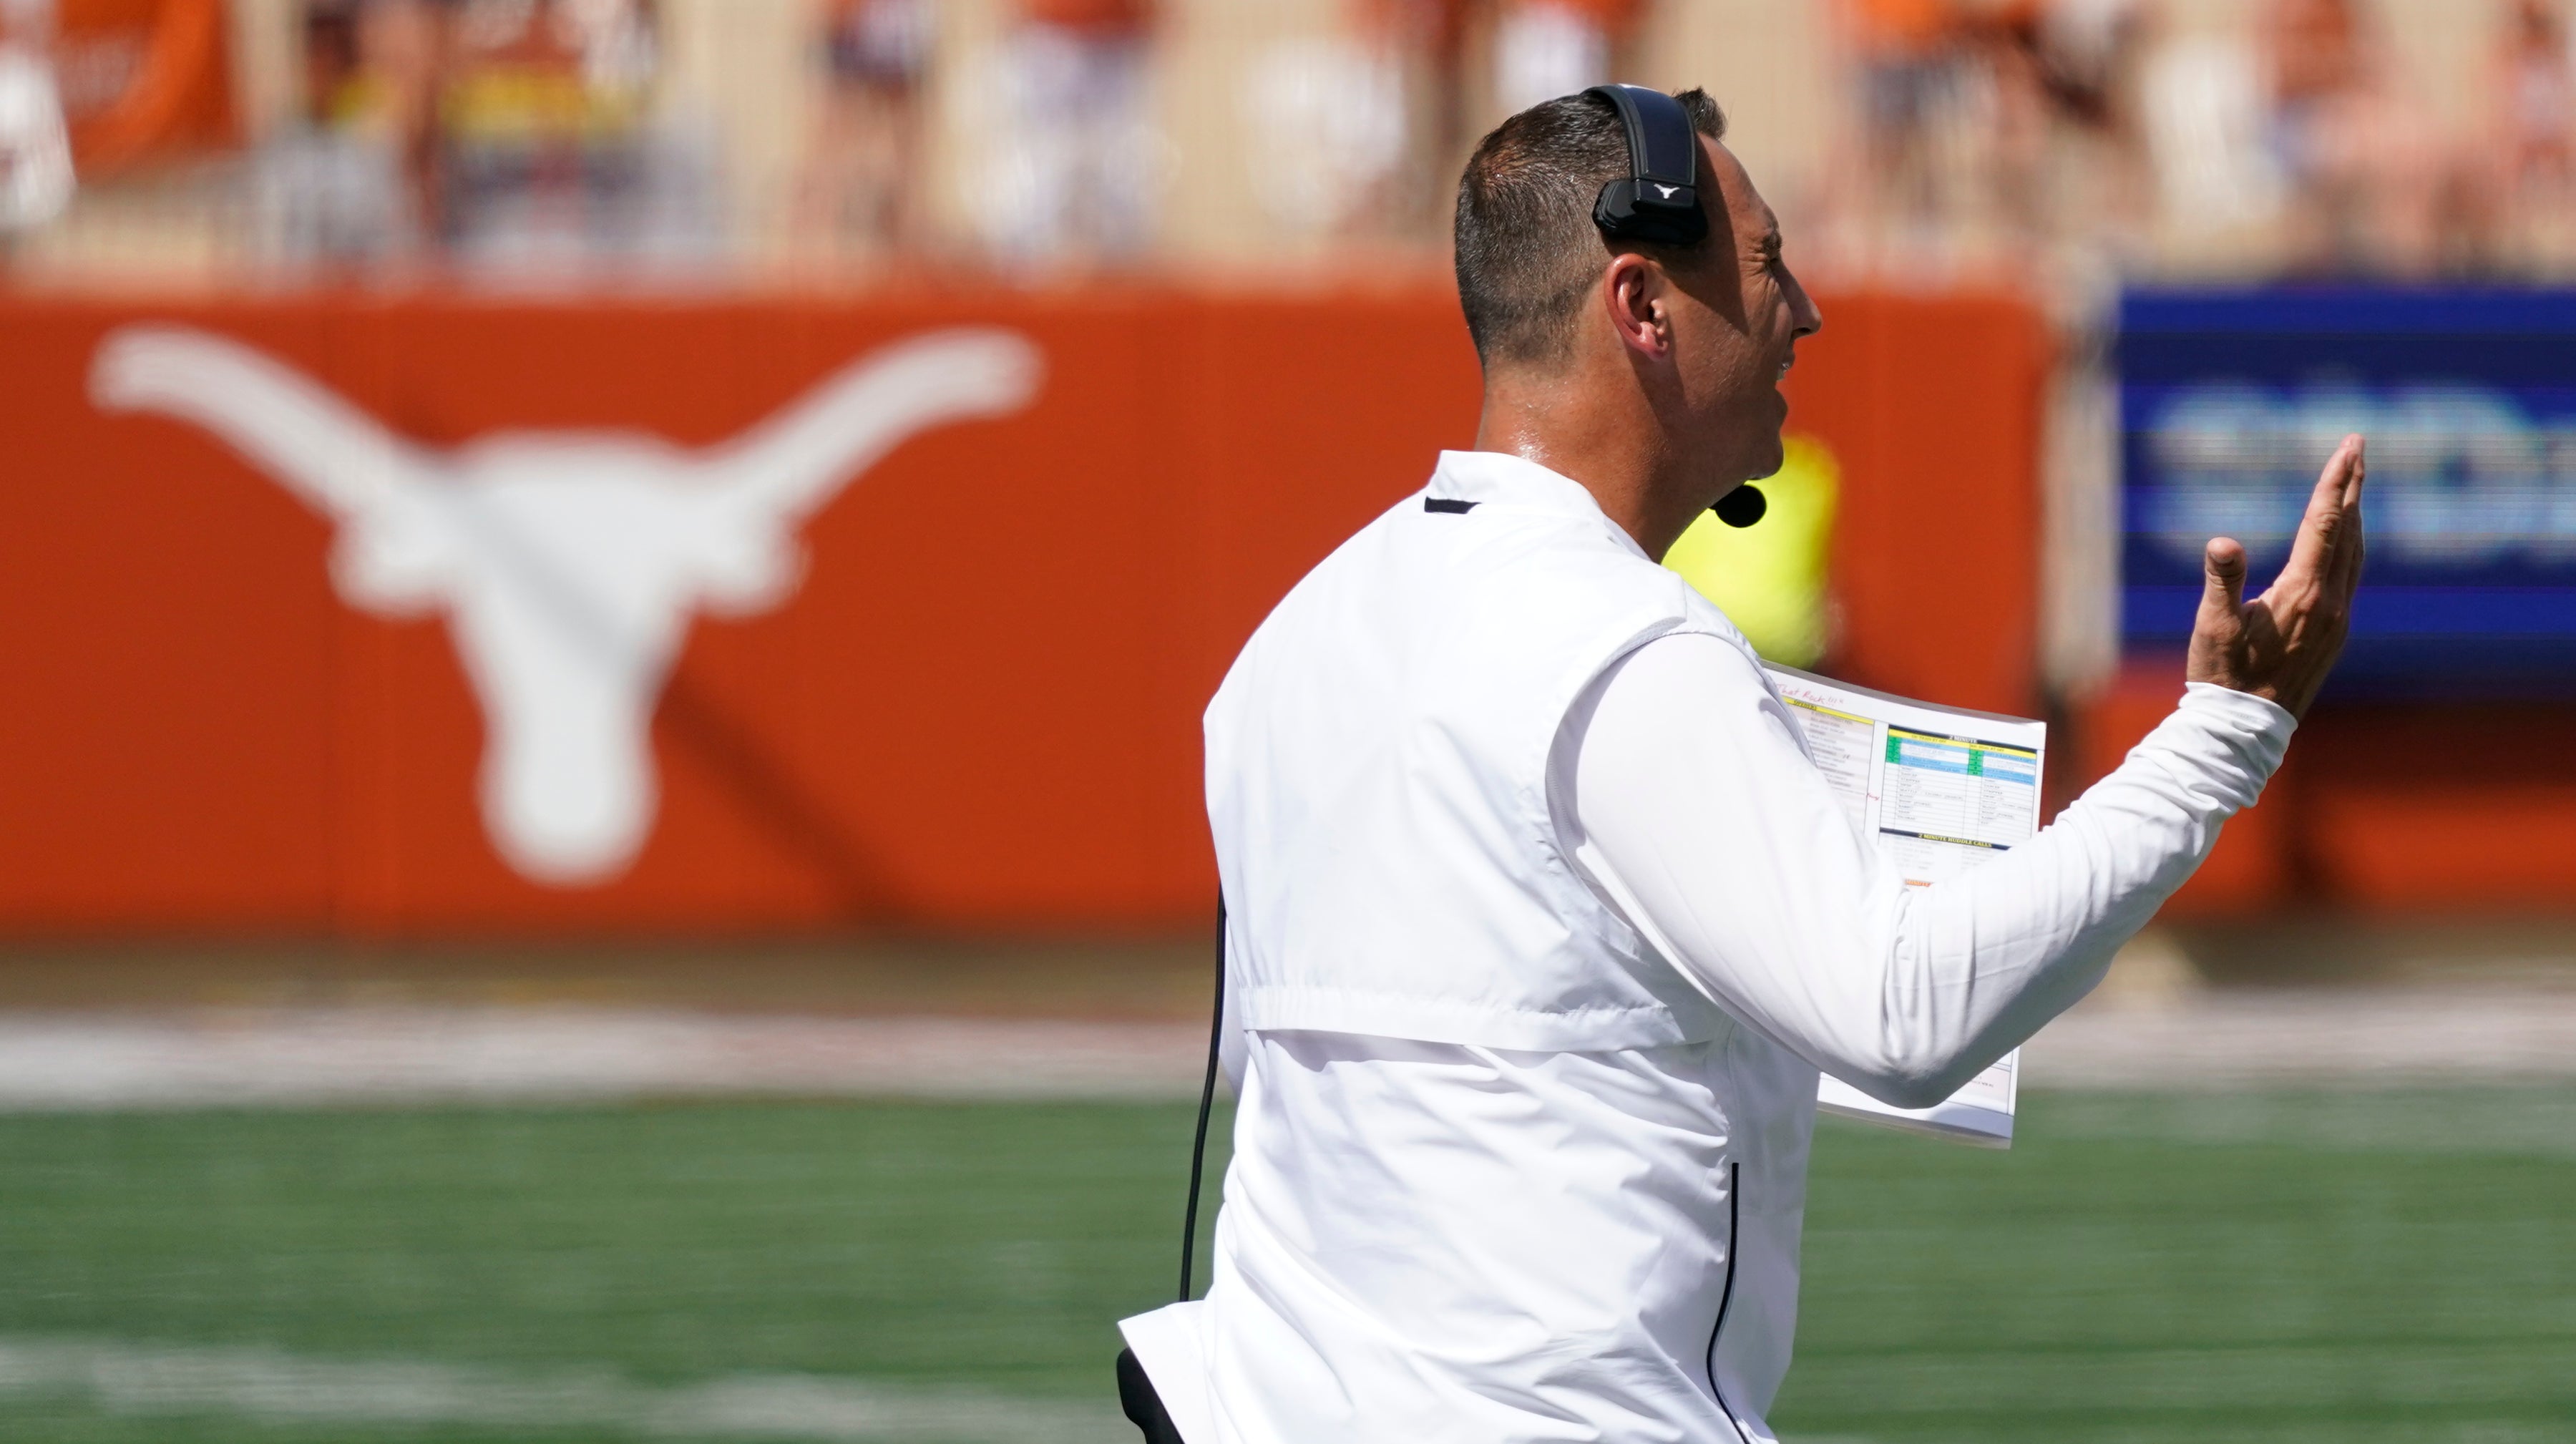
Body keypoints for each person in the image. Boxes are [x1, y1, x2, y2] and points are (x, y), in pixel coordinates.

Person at [1124, 84, 2366, 1443]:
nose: (1806, 309)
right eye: (1768, 261)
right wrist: (2222, 741)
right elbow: (1902, 1016)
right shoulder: (1619, 646)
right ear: (1642, 305)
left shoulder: (1297, 632)